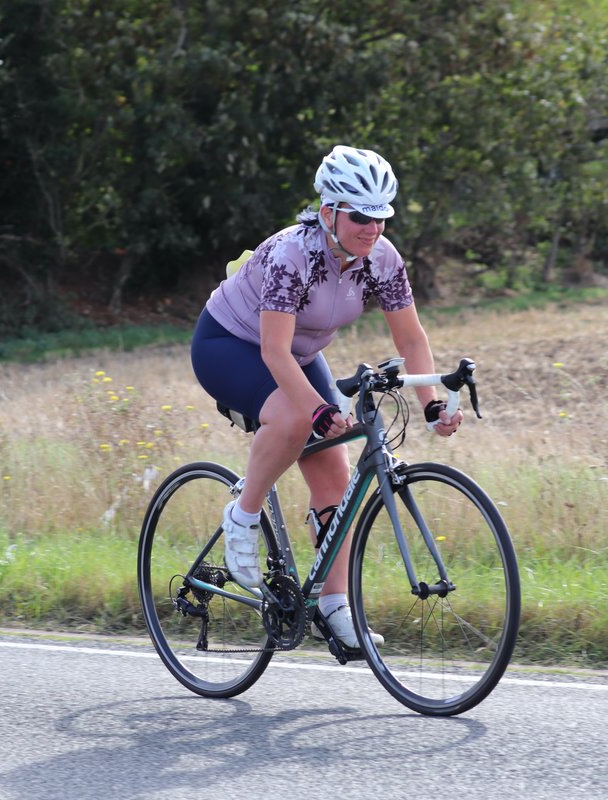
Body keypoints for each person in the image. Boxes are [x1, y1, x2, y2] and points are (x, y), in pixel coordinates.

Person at [190, 145, 463, 648]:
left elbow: (411, 341)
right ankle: (243, 514)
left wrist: (432, 405)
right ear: (328, 212)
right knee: (297, 421)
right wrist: (316, 410)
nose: (373, 227)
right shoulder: (292, 254)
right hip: (231, 345)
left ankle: (334, 608)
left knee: (335, 470)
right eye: (361, 215)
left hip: (297, 352)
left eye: (382, 216)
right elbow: (273, 352)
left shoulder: (382, 258)